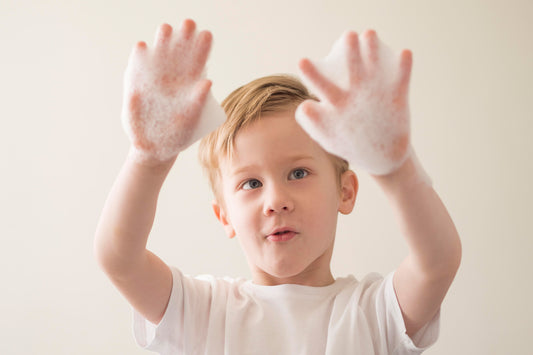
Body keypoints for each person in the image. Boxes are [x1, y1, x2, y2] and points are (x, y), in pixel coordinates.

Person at [94, 18, 462, 354]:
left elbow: (437, 262)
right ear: (225, 216)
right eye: (251, 183)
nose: (276, 201)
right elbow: (119, 259)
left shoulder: (374, 312)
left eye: (298, 173)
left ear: (345, 191)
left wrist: (396, 170)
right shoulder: (201, 310)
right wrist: (148, 160)